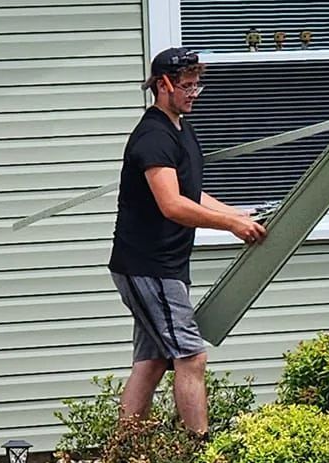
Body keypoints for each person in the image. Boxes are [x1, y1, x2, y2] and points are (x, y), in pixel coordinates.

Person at [108, 46, 267, 435]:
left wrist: (235, 214)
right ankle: (200, 450)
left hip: (162, 265)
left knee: (153, 359)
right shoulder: (153, 137)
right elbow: (172, 205)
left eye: (198, 85)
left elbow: (191, 192)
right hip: (148, 265)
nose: (194, 92)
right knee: (191, 356)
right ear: (162, 85)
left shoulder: (180, 127)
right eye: (187, 86)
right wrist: (229, 226)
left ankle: (125, 447)